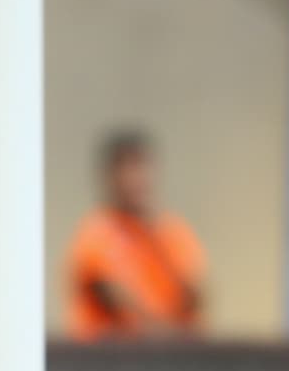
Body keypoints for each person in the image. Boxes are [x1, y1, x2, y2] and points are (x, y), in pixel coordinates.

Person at [66, 130, 206, 339]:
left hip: (171, 355)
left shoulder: (172, 230)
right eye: (125, 167)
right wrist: (167, 335)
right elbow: (114, 301)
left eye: (141, 166)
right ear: (109, 176)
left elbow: (195, 297)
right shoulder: (97, 231)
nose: (135, 178)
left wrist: (154, 237)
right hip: (112, 358)